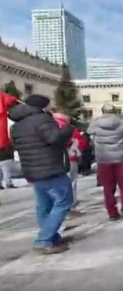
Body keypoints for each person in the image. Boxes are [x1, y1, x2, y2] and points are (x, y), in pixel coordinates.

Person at [9, 95, 74, 254]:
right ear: (42, 106)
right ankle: (43, 239)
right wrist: (67, 128)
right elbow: (54, 138)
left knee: (44, 205)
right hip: (50, 167)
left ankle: (51, 236)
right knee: (64, 202)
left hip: (32, 169)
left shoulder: (17, 125)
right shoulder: (41, 119)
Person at [87, 104, 123, 221]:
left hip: (103, 158)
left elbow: (89, 132)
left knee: (107, 187)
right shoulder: (122, 122)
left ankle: (112, 213)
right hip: (120, 156)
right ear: (114, 111)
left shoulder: (95, 123)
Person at [52, 111, 88, 218]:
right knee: (71, 182)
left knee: (56, 184)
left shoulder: (49, 127)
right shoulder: (69, 129)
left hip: (53, 160)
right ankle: (70, 206)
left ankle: (59, 206)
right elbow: (82, 143)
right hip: (70, 159)